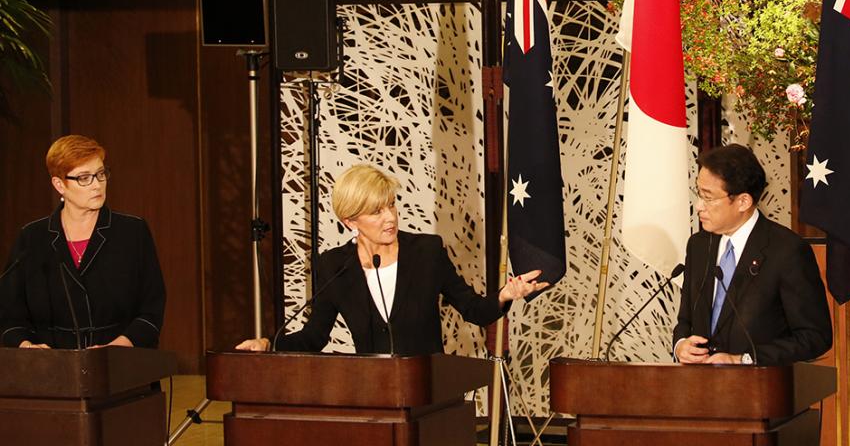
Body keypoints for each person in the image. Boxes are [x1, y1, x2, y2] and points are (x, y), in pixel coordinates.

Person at [237, 163, 547, 354]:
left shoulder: (426, 252)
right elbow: (314, 336)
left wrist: (507, 294)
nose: (390, 218)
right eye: (376, 211)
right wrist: (269, 344)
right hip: (373, 394)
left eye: (391, 206)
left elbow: (473, 309)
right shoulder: (334, 266)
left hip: (427, 392)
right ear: (350, 221)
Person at [0, 135, 166, 349]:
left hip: (123, 369)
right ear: (59, 185)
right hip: (51, 371)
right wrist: (28, 347)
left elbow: (151, 310)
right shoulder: (33, 238)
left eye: (100, 174)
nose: (97, 185)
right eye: (84, 178)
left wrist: (116, 350)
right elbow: (9, 316)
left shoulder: (132, 231)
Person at [673, 144, 832, 366]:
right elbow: (685, 320)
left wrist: (745, 360)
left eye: (708, 197)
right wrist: (680, 344)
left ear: (743, 201)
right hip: (702, 390)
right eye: (699, 194)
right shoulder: (698, 246)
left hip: (762, 391)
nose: (699, 206)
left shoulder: (786, 250)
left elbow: (815, 337)